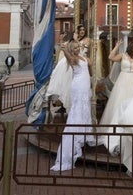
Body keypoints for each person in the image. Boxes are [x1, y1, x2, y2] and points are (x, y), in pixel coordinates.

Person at [51, 40, 94, 171]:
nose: (76, 49)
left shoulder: (83, 57)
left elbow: (91, 71)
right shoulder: (73, 59)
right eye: (74, 48)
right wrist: (64, 49)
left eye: (77, 47)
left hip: (86, 85)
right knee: (78, 108)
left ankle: (85, 128)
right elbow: (69, 57)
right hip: (78, 85)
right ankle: (77, 131)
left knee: (85, 107)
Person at [99, 40, 133, 126]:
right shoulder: (123, 56)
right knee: (120, 100)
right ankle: (117, 122)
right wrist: (117, 46)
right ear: (130, 47)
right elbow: (110, 57)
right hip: (123, 80)